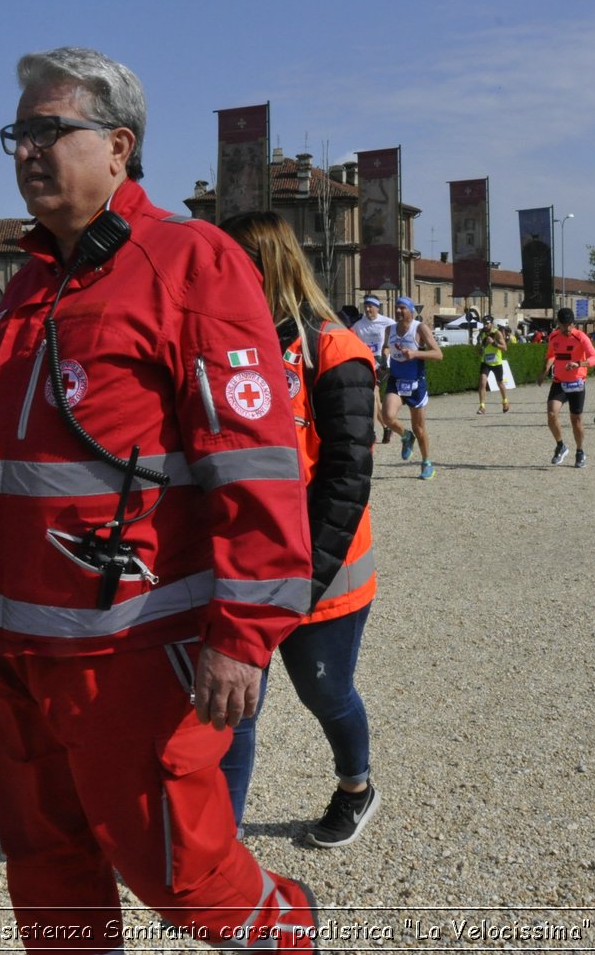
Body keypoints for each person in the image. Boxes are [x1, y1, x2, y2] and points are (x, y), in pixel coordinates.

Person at [0, 47, 318, 950]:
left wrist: (245, 635)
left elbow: (257, 463)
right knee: (48, 870)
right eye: (18, 133)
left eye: (50, 130)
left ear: (119, 146)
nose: (28, 150)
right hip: (21, 654)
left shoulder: (191, 262)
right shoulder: (30, 281)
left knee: (185, 876)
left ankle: (292, 934)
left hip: (132, 649)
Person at [217, 211, 379, 848]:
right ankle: (221, 847)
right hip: (241, 566)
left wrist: (303, 578)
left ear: (263, 264)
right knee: (235, 705)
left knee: (326, 692)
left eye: (226, 263)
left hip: (323, 568)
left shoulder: (334, 348)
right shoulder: (223, 347)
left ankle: (357, 786)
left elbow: (347, 477)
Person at [379, 296, 443, 480]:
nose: (398, 311)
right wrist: (384, 358)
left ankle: (426, 463)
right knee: (387, 417)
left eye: (402, 308)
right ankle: (406, 436)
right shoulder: (389, 329)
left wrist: (415, 353)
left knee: (419, 428)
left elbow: (438, 354)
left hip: (416, 383)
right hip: (396, 381)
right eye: (397, 308)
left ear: (411, 311)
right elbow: (386, 347)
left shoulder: (420, 328)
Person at [542, 306, 595, 468]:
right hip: (559, 382)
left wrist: (579, 364)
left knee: (576, 421)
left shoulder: (581, 337)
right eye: (563, 325)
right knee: (552, 413)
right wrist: (544, 371)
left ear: (573, 324)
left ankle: (580, 451)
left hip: (576, 383)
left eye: (570, 325)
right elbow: (551, 355)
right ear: (558, 324)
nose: (567, 328)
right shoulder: (553, 337)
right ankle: (561, 446)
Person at [349, 294, 395, 444]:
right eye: (366, 306)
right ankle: (387, 427)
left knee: (373, 393)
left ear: (377, 307)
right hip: (366, 364)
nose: (368, 309)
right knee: (375, 398)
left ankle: (372, 432)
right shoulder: (358, 325)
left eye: (370, 306)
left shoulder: (387, 323)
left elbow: (398, 336)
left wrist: (391, 351)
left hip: (382, 364)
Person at [476, 321, 511, 414]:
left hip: (496, 362)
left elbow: (505, 348)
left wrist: (494, 343)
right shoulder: (482, 333)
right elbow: (479, 350)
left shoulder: (497, 333)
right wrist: (480, 350)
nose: (485, 325)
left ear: (491, 323)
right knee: (482, 382)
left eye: (487, 323)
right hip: (486, 362)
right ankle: (482, 406)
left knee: (500, 383)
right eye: (484, 324)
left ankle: (505, 401)